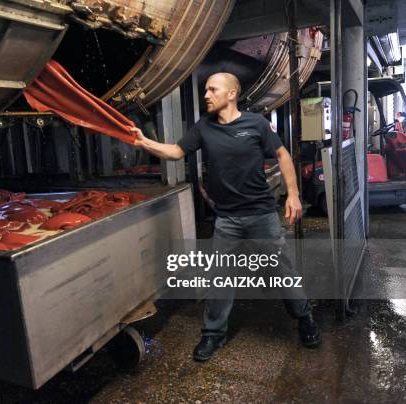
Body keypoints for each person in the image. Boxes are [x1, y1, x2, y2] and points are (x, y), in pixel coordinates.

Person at [130, 72, 321, 362]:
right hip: (227, 219)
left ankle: (305, 318)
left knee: (283, 271)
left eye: (212, 89)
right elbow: (176, 151)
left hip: (261, 214)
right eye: (205, 90)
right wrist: (144, 143)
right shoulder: (203, 127)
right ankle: (212, 335)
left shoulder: (256, 123)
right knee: (220, 278)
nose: (206, 95)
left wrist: (293, 195)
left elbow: (282, 155)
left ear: (231, 93)